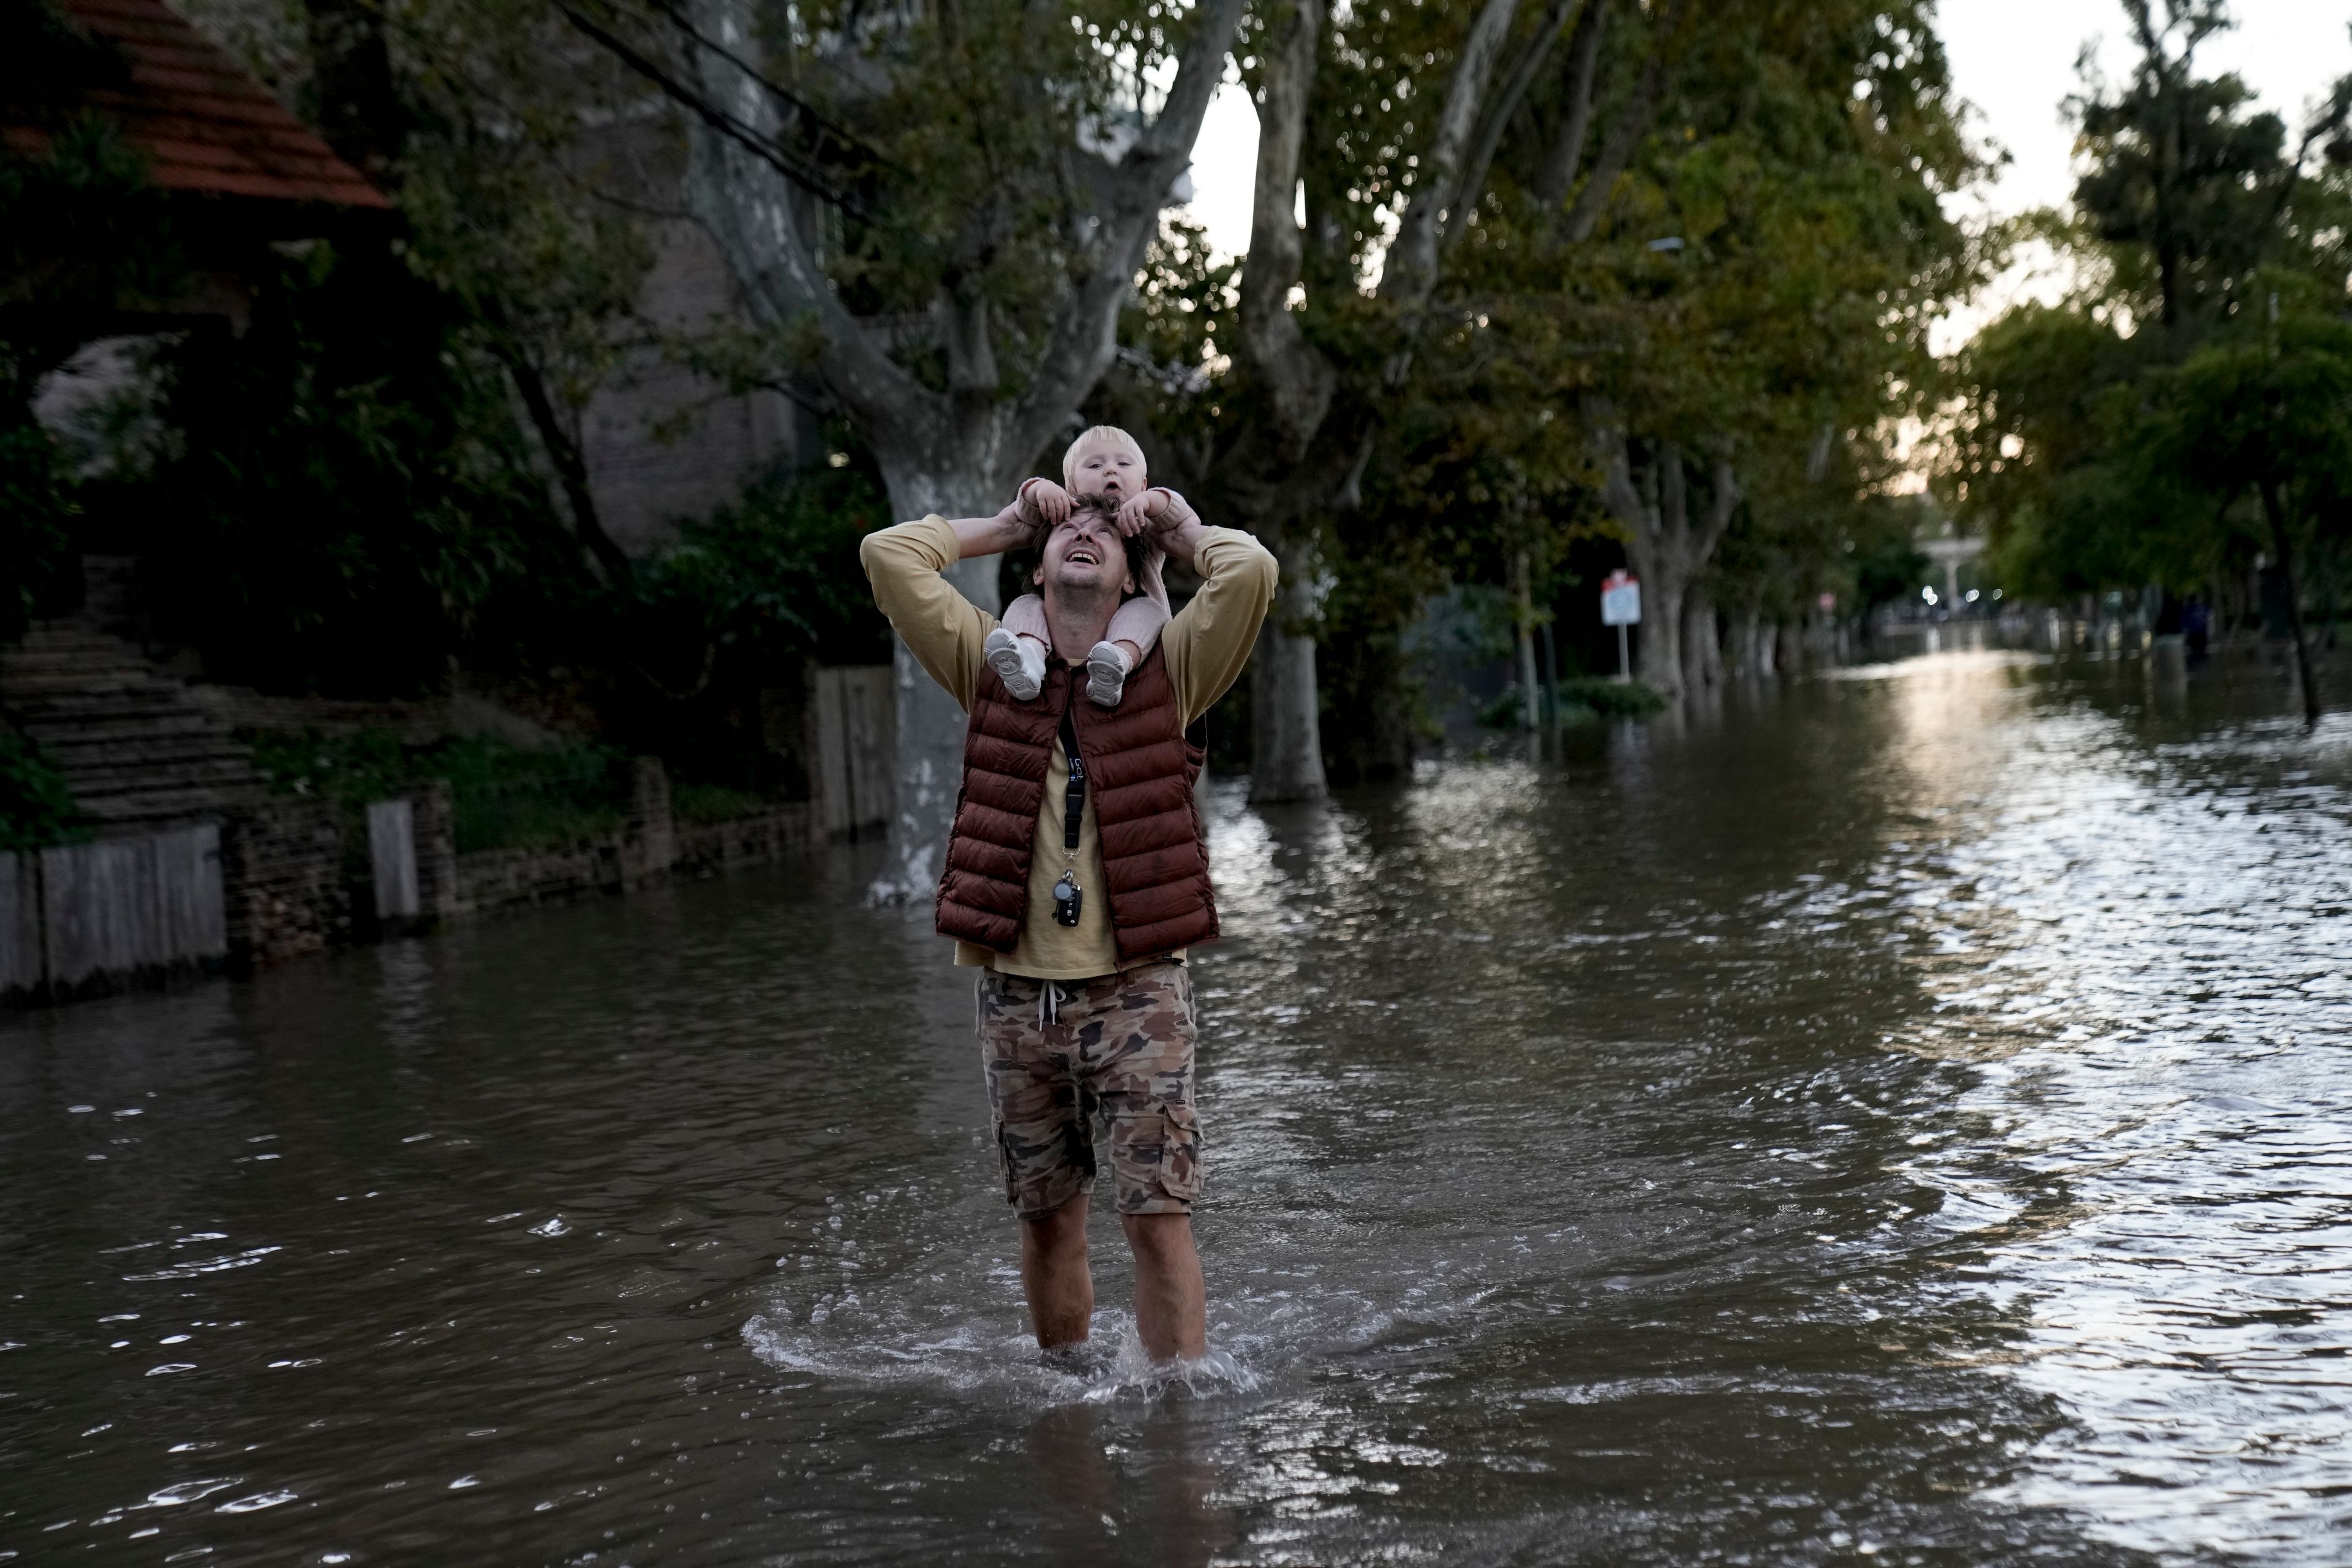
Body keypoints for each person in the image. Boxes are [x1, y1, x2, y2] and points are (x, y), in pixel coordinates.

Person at [859, 437, 1277, 1366]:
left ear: (1132, 572)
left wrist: (1178, 523)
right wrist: (1007, 522)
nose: (1083, 531)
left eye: (1105, 529)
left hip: (1137, 992)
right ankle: (1067, 1400)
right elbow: (890, 553)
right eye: (1067, 527)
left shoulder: (1173, 669)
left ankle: (1178, 1416)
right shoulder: (984, 660)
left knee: (1156, 1223)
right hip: (1015, 998)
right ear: (1040, 562)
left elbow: (1250, 571)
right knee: (1048, 1224)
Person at [986, 426, 1177, 707]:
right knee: (1024, 605)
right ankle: (1029, 657)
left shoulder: (1143, 521)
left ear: (1143, 484)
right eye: (1096, 464)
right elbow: (1024, 513)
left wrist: (1153, 501)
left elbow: (1180, 517)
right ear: (1071, 487)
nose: (1111, 471)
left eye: (1123, 464)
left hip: (1142, 637)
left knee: (1147, 611)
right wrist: (1039, 488)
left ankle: (1116, 664)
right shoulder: (1064, 514)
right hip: (1058, 638)